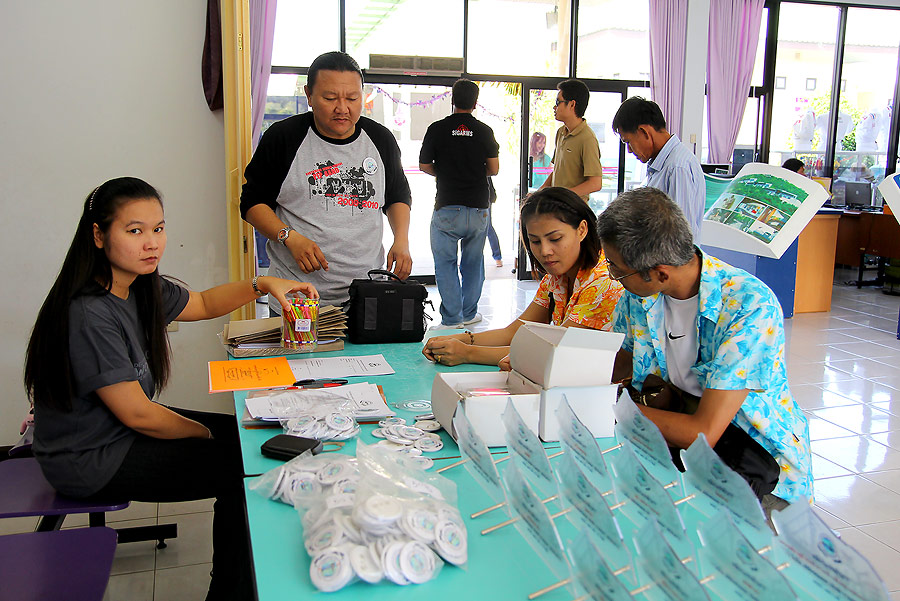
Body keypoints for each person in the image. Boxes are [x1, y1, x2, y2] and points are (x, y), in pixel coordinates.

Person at [24, 177, 319, 601]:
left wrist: (265, 283)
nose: (151, 244)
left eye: (158, 229)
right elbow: (138, 414)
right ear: (98, 234)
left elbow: (201, 303)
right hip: (89, 458)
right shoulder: (90, 312)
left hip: (116, 433)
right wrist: (207, 436)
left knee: (244, 434)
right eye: (135, 230)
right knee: (240, 465)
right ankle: (231, 592)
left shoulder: (138, 285)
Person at [598, 187, 812, 509]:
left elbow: (704, 432)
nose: (613, 276)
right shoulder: (641, 295)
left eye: (616, 269)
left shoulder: (749, 305)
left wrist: (606, 408)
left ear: (659, 273)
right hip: (673, 444)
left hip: (754, 465)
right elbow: (617, 361)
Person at [241, 50, 412, 310]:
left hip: (366, 295)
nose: (342, 108)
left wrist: (401, 239)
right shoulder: (283, 138)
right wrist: (289, 237)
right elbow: (252, 204)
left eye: (352, 98)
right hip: (296, 299)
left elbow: (397, 196)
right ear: (309, 95)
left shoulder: (380, 139)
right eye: (330, 98)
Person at [422, 187, 623, 367]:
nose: (545, 251)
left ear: (582, 230)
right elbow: (515, 332)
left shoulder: (603, 282)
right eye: (535, 241)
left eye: (555, 239)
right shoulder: (557, 277)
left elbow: (554, 352)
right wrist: (459, 340)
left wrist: (467, 353)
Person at [419, 78, 500, 329]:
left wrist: (445, 173)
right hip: (478, 208)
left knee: (445, 264)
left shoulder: (437, 129)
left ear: (452, 100)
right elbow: (494, 169)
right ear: (475, 103)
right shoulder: (485, 131)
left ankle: (452, 319)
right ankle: (469, 313)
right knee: (474, 263)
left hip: (447, 207)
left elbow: (424, 165)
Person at [612, 96, 705, 241]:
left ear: (644, 132)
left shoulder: (677, 168)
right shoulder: (660, 164)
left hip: (669, 262)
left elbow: (681, 236)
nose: (629, 150)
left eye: (628, 142)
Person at [537, 79, 604, 202]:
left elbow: (595, 183)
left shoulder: (587, 138)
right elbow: (557, 172)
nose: (554, 107)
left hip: (573, 211)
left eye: (558, 102)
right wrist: (539, 193)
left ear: (572, 104)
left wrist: (564, 196)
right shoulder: (561, 132)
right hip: (558, 207)